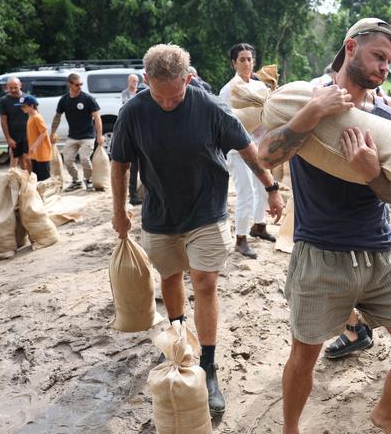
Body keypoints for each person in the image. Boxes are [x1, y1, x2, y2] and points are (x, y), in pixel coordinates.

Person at [258, 18, 391, 434]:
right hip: (321, 255)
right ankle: (291, 429)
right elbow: (266, 156)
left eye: (390, 61)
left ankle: (384, 414)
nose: (385, 68)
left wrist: (372, 172)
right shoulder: (305, 96)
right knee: (304, 357)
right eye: (378, 56)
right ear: (351, 48)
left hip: (380, 255)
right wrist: (313, 112)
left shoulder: (387, 114)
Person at [110, 44, 284, 417]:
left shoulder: (210, 107)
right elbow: (120, 162)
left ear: (188, 80)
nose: (169, 103)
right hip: (160, 216)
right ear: (146, 82)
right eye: (160, 96)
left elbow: (247, 148)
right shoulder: (134, 112)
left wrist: (271, 188)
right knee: (171, 278)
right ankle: (176, 339)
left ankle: (208, 365)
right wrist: (119, 210)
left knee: (204, 282)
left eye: (176, 95)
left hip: (207, 213)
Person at [219, 43, 276, 259]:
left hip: (260, 145)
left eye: (250, 59)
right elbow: (226, 122)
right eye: (242, 59)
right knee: (246, 194)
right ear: (234, 63)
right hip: (237, 149)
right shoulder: (228, 90)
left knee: (263, 188)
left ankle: (259, 226)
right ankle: (240, 239)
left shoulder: (260, 87)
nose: (247, 63)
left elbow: (266, 115)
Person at [51, 73, 104, 192]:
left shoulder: (87, 98)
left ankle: (88, 180)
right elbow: (57, 117)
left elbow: (97, 117)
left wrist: (99, 135)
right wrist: (52, 133)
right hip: (73, 136)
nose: (79, 86)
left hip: (88, 135)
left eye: (81, 84)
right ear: (69, 84)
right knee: (68, 159)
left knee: (85, 159)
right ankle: (76, 181)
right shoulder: (64, 100)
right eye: (77, 84)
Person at [0, 77, 31, 171]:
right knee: (13, 163)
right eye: (10, 88)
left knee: (25, 161)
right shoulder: (4, 101)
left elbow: (36, 116)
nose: (13, 90)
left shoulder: (28, 98)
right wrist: (8, 138)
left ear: (20, 86)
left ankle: (27, 181)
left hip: (28, 135)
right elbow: (3, 121)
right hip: (14, 136)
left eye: (15, 87)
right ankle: (14, 182)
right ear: (7, 87)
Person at [18, 95, 52, 181]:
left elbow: (44, 132)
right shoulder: (31, 116)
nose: (22, 108)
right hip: (35, 153)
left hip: (42, 153)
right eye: (21, 106)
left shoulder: (37, 117)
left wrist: (34, 146)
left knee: (44, 178)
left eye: (24, 106)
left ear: (32, 106)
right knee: (37, 176)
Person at [121, 74, 142, 205]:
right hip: (132, 134)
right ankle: (132, 194)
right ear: (129, 81)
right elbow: (126, 107)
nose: (135, 82)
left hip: (141, 132)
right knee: (133, 167)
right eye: (134, 80)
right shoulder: (125, 93)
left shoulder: (141, 92)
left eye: (137, 81)